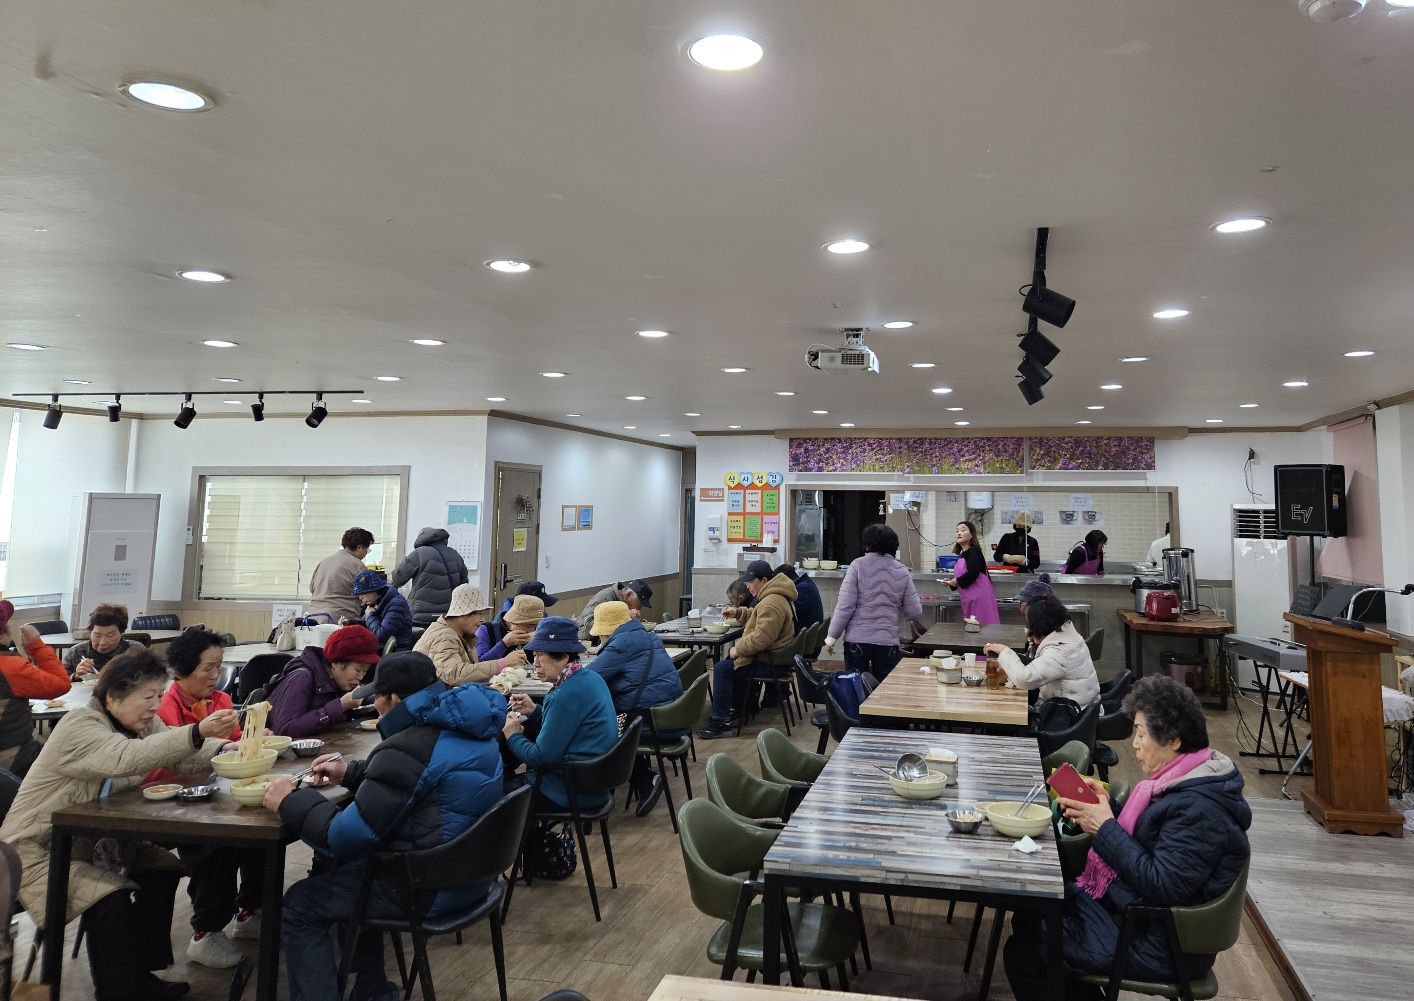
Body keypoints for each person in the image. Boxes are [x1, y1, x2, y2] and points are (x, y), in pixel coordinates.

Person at [263, 651, 505, 1001]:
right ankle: (372, 988)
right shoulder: (469, 726)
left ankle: (364, 987)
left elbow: (342, 837)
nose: (373, 704)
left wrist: (289, 800)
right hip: (474, 876)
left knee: (302, 903)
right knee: (350, 869)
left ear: (393, 699)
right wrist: (351, 773)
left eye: (376, 696)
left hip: (428, 889)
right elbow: (419, 778)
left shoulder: (409, 747)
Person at [1, 648, 235, 1001]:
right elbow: (125, 757)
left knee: (162, 868)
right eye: (147, 696)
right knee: (107, 894)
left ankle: (139, 976)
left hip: (91, 843)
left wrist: (227, 750)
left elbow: (179, 753)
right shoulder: (80, 725)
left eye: (160, 695)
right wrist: (196, 732)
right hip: (36, 850)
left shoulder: (140, 725)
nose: (156, 706)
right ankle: (117, 992)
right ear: (113, 697)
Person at [1003, 675, 1251, 1001]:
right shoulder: (1184, 780)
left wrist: (1104, 827)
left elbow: (1163, 885)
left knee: (1026, 951)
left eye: (1141, 733)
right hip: (1138, 916)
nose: (1134, 743)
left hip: (1162, 939)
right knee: (1032, 919)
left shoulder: (1200, 809)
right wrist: (1108, 807)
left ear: (1174, 740)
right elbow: (1154, 840)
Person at [155, 629, 263, 967]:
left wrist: (253, 741)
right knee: (216, 843)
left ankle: (250, 911)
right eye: (208, 668)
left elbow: (235, 746)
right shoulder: (164, 705)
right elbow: (164, 763)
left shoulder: (220, 701)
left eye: (219, 666)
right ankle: (206, 932)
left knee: (260, 826)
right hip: (168, 800)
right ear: (182, 670)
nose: (216, 675)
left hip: (212, 793)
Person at [503, 617, 619, 810]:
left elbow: (541, 759)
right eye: (534, 655)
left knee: (494, 790)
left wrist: (513, 736)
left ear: (564, 657)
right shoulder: (591, 678)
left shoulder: (565, 694)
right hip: (594, 782)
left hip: (572, 790)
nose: (535, 663)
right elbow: (568, 726)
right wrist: (535, 711)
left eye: (541, 655)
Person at [585, 601, 683, 816]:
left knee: (595, 729)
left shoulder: (620, 645)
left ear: (606, 631)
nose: (599, 639)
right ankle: (642, 777)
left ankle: (642, 779)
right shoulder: (649, 636)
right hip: (675, 716)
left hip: (651, 723)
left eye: (600, 634)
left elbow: (587, 679)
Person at [696, 562, 796, 741]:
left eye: (751, 581)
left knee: (722, 668)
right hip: (775, 659)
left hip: (771, 663)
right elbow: (758, 615)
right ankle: (741, 710)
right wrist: (738, 613)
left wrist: (738, 649)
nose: (748, 585)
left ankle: (721, 722)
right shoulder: (775, 595)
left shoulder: (771, 603)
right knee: (730, 664)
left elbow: (761, 638)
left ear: (763, 580)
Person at [822, 525, 924, 681]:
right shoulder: (902, 571)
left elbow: (845, 606)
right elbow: (915, 612)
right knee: (884, 689)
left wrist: (831, 638)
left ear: (868, 544)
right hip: (887, 641)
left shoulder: (857, 565)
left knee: (855, 687)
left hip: (857, 640)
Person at [983, 594, 1100, 706]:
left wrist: (1003, 650)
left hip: (1071, 716)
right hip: (1078, 711)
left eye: (1029, 623)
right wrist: (1009, 674)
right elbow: (1038, 671)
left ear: (1039, 624)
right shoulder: (1070, 637)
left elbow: (1024, 679)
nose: (1029, 628)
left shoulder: (1060, 651)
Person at [267, 624, 380, 737]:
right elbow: (285, 729)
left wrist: (382, 699)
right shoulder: (301, 678)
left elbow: (361, 701)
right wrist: (341, 706)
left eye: (365, 671)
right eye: (358, 670)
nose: (361, 677)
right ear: (337, 663)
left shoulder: (340, 680)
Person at [0, 600, 71, 773]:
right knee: (71, 763)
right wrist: (36, 646)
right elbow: (61, 683)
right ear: (4, 633)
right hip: (12, 759)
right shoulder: (10, 668)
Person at [413, 583, 494, 685]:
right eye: (479, 614)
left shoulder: (463, 634)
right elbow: (454, 675)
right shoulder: (444, 636)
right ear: (463, 614)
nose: (482, 619)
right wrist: (502, 664)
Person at [390, 527, 469, 626]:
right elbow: (463, 585)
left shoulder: (419, 553)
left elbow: (397, 578)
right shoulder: (455, 555)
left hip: (420, 616)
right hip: (447, 616)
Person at [308, 527, 373, 621]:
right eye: (367, 549)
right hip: (339, 618)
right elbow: (369, 594)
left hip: (313, 617)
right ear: (359, 547)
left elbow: (312, 588)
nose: (366, 553)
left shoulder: (324, 562)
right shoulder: (357, 565)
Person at [944, 521, 1001, 625]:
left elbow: (973, 573)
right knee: (972, 627)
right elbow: (964, 576)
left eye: (963, 530)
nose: (959, 533)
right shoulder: (962, 554)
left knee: (983, 627)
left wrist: (956, 581)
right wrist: (951, 582)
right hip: (969, 599)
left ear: (971, 535)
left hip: (980, 598)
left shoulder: (973, 551)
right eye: (957, 531)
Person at [61, 603, 137, 680]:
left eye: (110, 635)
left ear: (121, 633)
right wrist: (76, 676)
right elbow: (61, 681)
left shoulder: (134, 651)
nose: (102, 642)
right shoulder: (75, 653)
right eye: (97, 635)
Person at [347, 569, 413, 652]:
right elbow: (371, 624)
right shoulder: (377, 601)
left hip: (395, 652)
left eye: (362, 594)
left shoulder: (396, 604)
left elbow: (381, 635)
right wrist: (350, 623)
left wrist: (370, 615)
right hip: (380, 647)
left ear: (374, 591)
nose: (360, 598)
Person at [475, 593, 545, 672]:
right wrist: (504, 644)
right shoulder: (486, 630)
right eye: (528, 626)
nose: (531, 631)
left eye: (535, 626)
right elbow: (479, 666)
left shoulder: (535, 633)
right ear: (514, 621)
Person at [577, 579, 654, 640]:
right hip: (589, 641)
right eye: (639, 606)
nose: (639, 610)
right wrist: (623, 615)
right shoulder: (603, 597)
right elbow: (589, 626)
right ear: (628, 595)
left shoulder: (623, 601)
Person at [775, 564, 824, 629]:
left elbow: (786, 612)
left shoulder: (802, 589)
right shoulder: (806, 583)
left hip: (806, 632)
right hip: (810, 630)